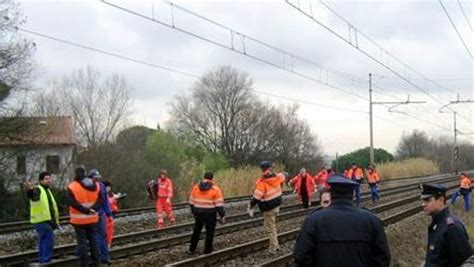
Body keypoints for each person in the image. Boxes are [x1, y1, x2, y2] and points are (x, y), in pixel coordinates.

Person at [293, 175, 391, 266]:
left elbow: (301, 257)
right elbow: (382, 258)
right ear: (352, 195)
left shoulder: (313, 220)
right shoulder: (372, 220)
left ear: (331, 195)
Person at [421, 183, 472, 266]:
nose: (423, 204)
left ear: (441, 200)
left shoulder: (451, 227)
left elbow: (465, 260)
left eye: (427, 200)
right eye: (423, 200)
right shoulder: (437, 224)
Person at [249, 161, 285, 254]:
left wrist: (251, 205)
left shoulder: (262, 182)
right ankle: (276, 245)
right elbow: (283, 176)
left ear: (262, 170)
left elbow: (256, 197)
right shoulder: (277, 177)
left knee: (270, 228)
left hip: (268, 208)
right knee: (272, 226)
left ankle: (273, 248)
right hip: (277, 206)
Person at [67, 166, 101, 267]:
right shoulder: (95, 184)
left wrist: (85, 211)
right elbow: (100, 200)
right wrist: (93, 209)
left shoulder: (72, 186)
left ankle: (85, 264)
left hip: (79, 221)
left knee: (82, 244)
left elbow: (72, 202)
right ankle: (97, 262)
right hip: (93, 218)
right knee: (94, 241)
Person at [24, 172, 59, 264]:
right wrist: (30, 190)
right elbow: (32, 196)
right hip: (42, 220)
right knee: (48, 241)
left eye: (50, 178)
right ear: (41, 180)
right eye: (47, 179)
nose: (49, 180)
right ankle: (45, 261)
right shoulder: (38, 189)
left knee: (43, 241)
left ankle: (43, 260)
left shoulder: (47, 190)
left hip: (44, 220)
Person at [187, 171, 225, 255]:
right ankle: (207, 251)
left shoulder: (196, 187)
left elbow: (191, 202)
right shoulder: (215, 189)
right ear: (212, 178)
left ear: (204, 177)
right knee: (209, 232)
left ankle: (191, 249)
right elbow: (219, 205)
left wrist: (194, 212)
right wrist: (222, 215)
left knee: (196, 231)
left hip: (198, 213)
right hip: (210, 213)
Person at [89, 169, 113, 264]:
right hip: (99, 214)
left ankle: (99, 257)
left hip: (93, 215)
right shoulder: (102, 186)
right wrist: (109, 213)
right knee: (101, 236)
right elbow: (105, 201)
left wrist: (108, 213)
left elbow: (105, 201)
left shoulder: (89, 186)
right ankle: (104, 257)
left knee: (95, 236)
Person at [103, 180, 126, 248]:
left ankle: (108, 244)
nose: (109, 188)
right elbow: (108, 201)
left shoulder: (109, 193)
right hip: (107, 213)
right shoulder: (103, 193)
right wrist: (114, 198)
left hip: (111, 212)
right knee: (107, 229)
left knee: (109, 229)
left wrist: (117, 197)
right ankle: (107, 244)